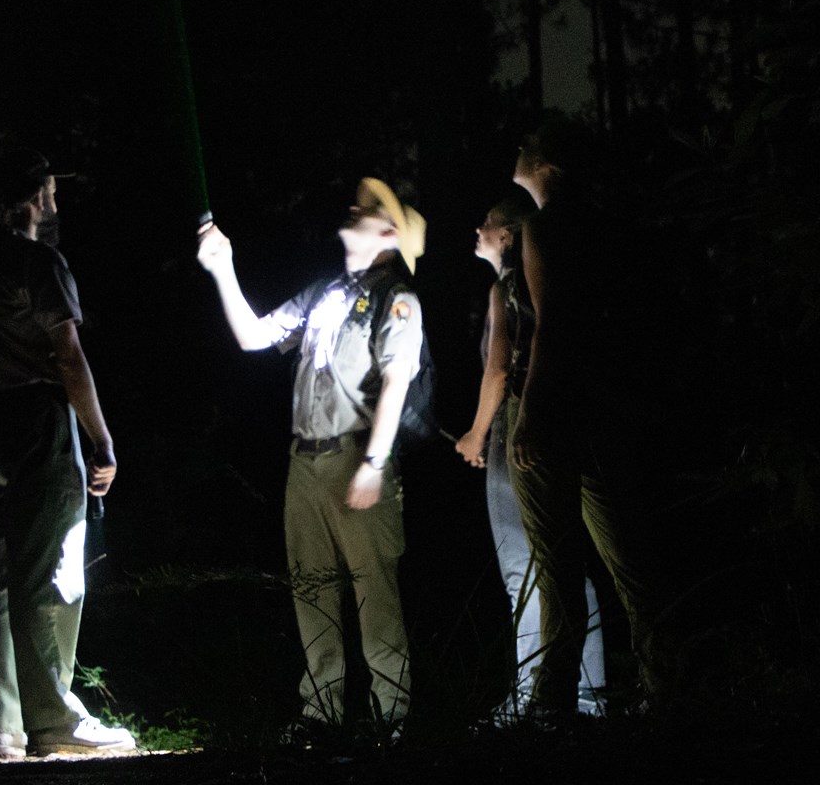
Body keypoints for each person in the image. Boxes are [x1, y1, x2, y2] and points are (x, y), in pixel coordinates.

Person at [197, 178, 427, 735]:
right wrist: (223, 267)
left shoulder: (398, 299)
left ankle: (390, 716)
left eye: (372, 209)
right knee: (311, 588)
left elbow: (397, 382)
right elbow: (255, 339)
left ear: (390, 234)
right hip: (304, 462)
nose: (356, 208)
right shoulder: (323, 291)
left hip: (355, 458)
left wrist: (374, 464)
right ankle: (320, 712)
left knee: (375, 592)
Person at [0, 148, 135, 758]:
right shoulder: (39, 263)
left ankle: (2, 725)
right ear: (33, 201)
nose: (55, 206)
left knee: (4, 573)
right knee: (54, 568)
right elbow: (67, 354)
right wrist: (100, 437)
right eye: (51, 195)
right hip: (42, 420)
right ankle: (55, 721)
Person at [507, 123, 662, 718]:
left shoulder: (542, 227)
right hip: (602, 407)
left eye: (526, 144)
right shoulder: (603, 226)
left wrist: (532, 414)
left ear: (544, 162)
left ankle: (551, 707)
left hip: (556, 410)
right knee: (630, 564)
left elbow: (553, 323)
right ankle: (664, 687)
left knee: (557, 568)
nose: (518, 149)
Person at [454, 196, 606, 716]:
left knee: (526, 569)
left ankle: (535, 696)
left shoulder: (504, 288)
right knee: (563, 564)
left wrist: (475, 434)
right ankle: (588, 691)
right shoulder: (539, 284)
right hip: (549, 428)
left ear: (511, 234)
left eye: (489, 222)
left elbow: (498, 368)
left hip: (512, 437)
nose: (479, 228)